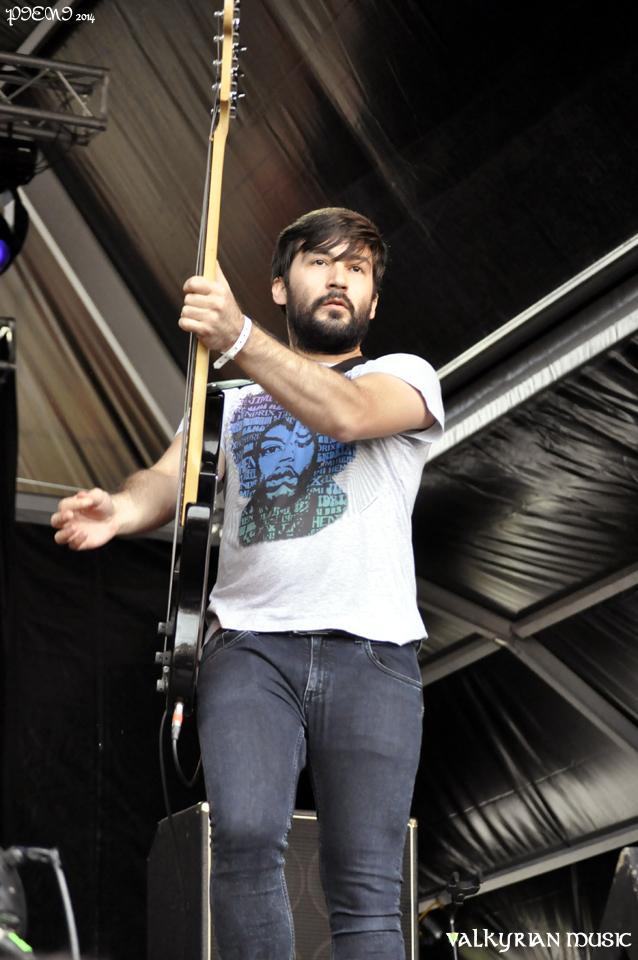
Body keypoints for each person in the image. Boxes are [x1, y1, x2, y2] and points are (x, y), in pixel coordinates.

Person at [51, 207, 444, 960]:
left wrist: (238, 337)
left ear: (373, 298)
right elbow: (167, 480)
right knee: (243, 839)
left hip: (375, 654)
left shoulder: (402, 376)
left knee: (367, 888)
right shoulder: (223, 401)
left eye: (357, 268)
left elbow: (348, 415)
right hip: (251, 648)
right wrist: (121, 509)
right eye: (320, 262)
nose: (339, 278)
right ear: (279, 285)